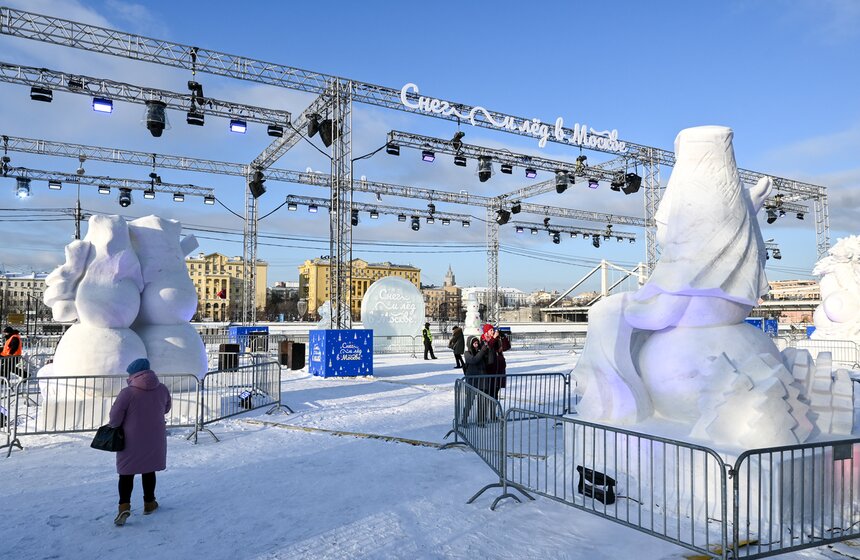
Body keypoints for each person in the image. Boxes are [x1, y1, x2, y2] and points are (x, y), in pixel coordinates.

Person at [108, 358, 172, 526]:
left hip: (131, 437)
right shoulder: (162, 389)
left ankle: (124, 506)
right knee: (149, 469)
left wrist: (116, 425)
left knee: (127, 472)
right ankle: (149, 503)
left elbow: (115, 418)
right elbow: (166, 408)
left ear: (133, 374)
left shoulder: (127, 393)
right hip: (155, 436)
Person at [460, 335, 491, 425]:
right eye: (474, 343)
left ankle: (480, 420)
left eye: (477, 343)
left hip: (482, 380)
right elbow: (474, 360)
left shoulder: (481, 352)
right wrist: (482, 351)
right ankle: (464, 419)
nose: (476, 345)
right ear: (470, 344)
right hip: (472, 381)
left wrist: (488, 349)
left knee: (482, 402)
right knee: (469, 401)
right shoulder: (467, 353)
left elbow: (488, 361)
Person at [482, 324, 511, 418]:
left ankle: (493, 414)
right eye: (490, 330)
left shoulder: (496, 339)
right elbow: (489, 347)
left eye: (493, 330)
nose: (493, 332)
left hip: (499, 369)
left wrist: (503, 337)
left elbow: (506, 347)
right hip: (490, 370)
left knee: (495, 394)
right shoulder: (484, 340)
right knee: (488, 394)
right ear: (486, 332)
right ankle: (484, 415)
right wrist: (494, 338)